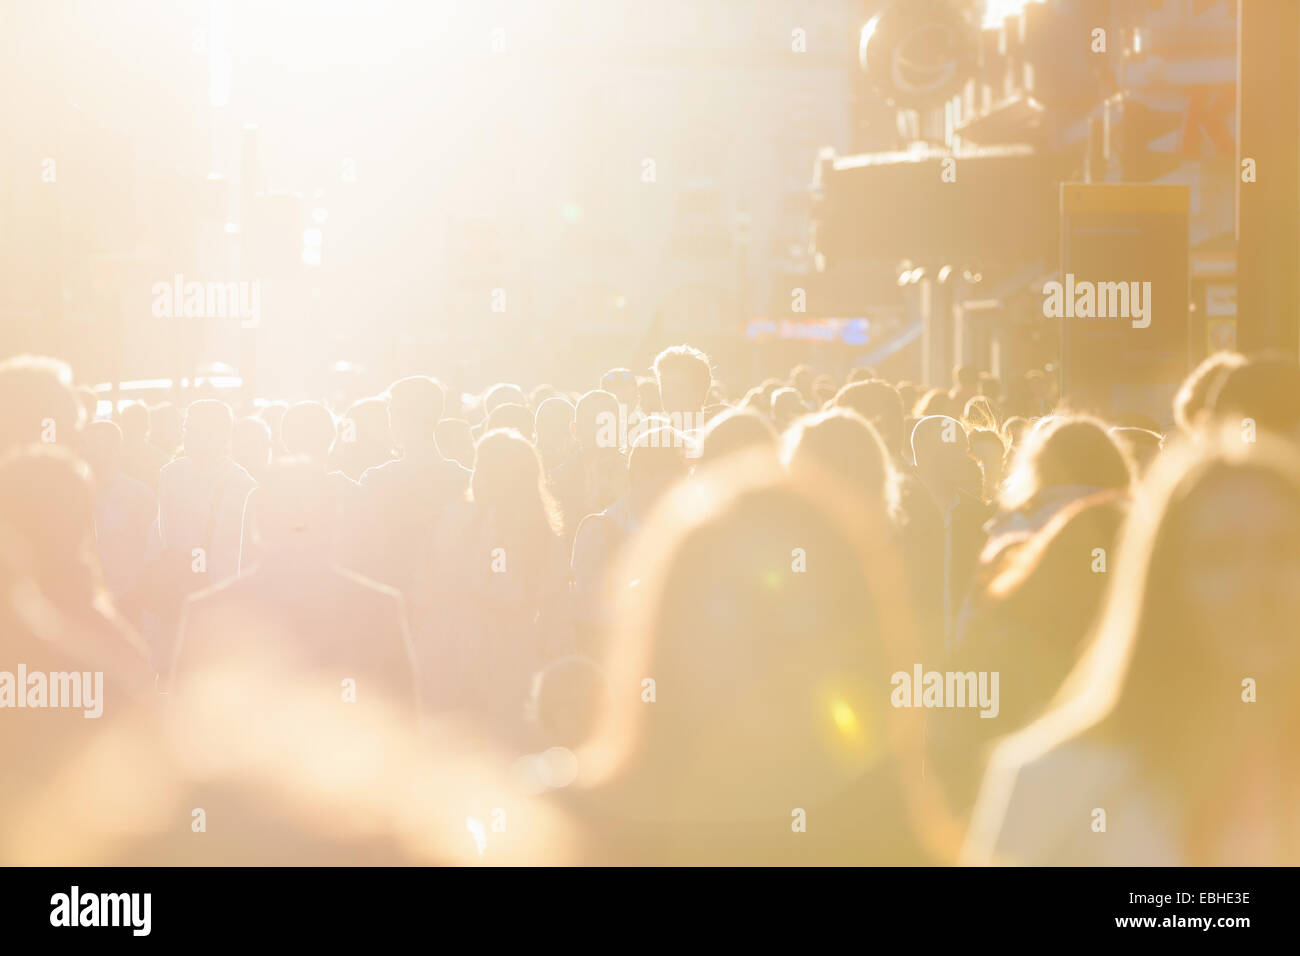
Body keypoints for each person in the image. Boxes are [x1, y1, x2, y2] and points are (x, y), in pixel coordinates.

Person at [563, 460, 939, 864]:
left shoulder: (570, 831)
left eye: (800, 618)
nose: (764, 649)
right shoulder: (563, 832)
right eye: (728, 612)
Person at [965, 433, 1300, 865]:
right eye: (1219, 556)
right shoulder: (1053, 784)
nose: (1259, 586)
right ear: (1166, 583)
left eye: (1284, 549)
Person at [173, 457, 419, 723]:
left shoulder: (210, 611)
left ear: (258, 521)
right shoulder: (378, 608)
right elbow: (406, 726)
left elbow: (181, 736)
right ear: (334, 520)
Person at [422, 429, 572, 744]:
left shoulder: (525, 532)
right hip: (486, 659)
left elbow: (532, 602)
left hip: (487, 660)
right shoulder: (462, 520)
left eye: (483, 467)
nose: (475, 475)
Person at [354, 377, 470, 623]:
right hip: (452, 605)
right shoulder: (463, 479)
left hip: (392, 603)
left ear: (402, 419)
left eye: (391, 412)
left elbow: (363, 548)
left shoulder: (377, 481)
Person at [571, 427, 688, 655]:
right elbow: (585, 614)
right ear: (639, 477)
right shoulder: (600, 530)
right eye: (670, 483)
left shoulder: (681, 527)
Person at [81, 420, 155, 624]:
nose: (90, 452)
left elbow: (149, 549)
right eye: (86, 445)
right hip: (83, 600)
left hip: (126, 599)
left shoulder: (139, 495)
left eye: (98, 445)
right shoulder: (72, 494)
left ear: (116, 450)